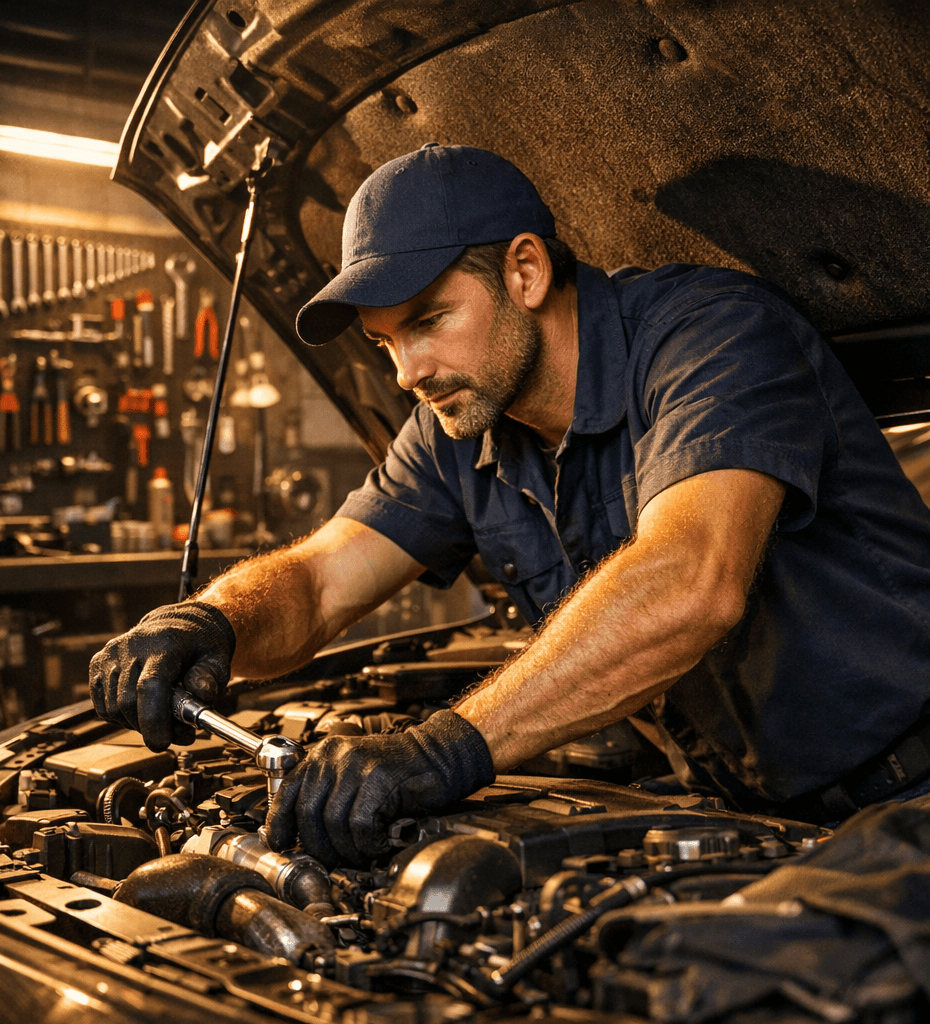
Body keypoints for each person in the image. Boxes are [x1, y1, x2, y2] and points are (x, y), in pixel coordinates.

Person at [91, 144, 930, 867]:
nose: (407, 374)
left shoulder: (711, 337)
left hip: (911, 795)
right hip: (738, 814)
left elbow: (688, 582)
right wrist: (210, 624)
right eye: (386, 341)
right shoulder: (456, 423)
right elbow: (321, 580)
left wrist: (438, 751)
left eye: (428, 320)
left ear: (526, 270)